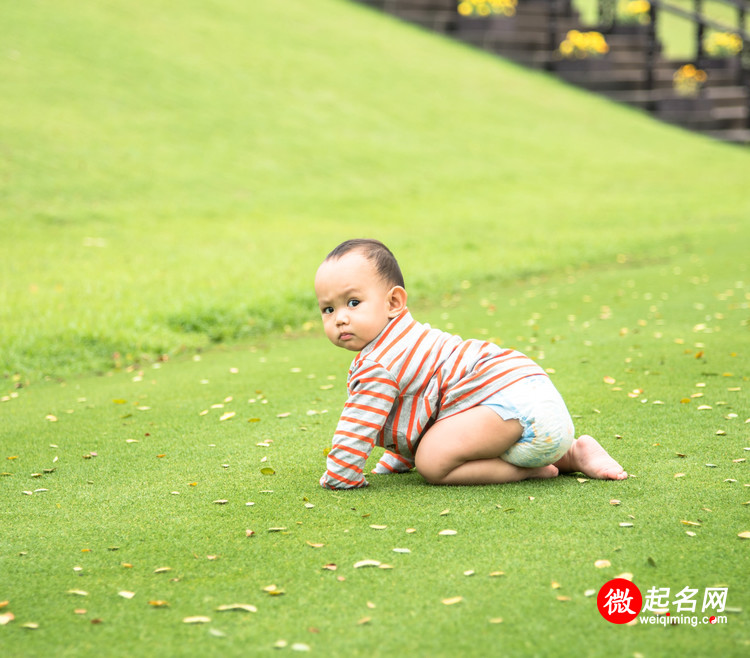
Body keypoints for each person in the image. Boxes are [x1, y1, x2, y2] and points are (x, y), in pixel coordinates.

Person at [314, 238, 627, 490]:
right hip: (528, 395)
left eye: (353, 303)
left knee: (433, 462)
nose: (340, 318)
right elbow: (422, 408)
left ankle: (525, 471)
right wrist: (398, 459)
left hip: (514, 407)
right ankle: (573, 452)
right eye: (328, 309)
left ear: (393, 302)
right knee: (443, 438)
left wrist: (342, 473)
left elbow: (360, 423)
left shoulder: (379, 363)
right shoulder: (411, 338)